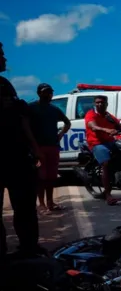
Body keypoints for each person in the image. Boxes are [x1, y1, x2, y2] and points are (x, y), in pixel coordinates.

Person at [0, 41, 44, 261]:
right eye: (1, 54)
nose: (5, 59)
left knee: (25, 206)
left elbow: (22, 120)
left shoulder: (5, 85)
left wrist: (35, 149)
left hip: (16, 156)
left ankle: (29, 248)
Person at [29, 83, 71, 213]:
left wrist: (60, 134)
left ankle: (50, 202)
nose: (48, 95)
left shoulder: (54, 109)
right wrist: (33, 147)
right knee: (41, 177)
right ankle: (41, 204)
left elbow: (67, 122)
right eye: (45, 92)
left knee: (51, 177)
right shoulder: (32, 108)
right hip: (38, 147)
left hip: (53, 146)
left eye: (50, 92)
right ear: (39, 93)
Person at [84, 95, 121, 206]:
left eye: (102, 102)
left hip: (110, 142)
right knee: (106, 164)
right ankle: (108, 195)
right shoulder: (91, 114)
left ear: (106, 104)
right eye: (97, 102)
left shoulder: (108, 116)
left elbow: (119, 127)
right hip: (97, 143)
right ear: (94, 104)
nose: (99, 104)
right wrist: (106, 129)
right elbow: (93, 127)